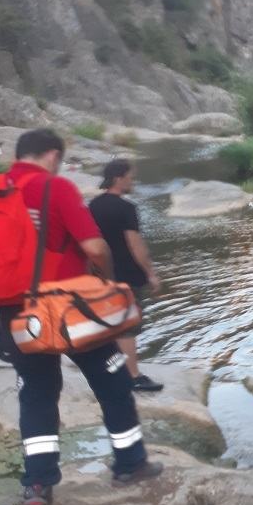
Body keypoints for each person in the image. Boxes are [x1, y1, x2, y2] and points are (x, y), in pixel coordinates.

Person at [0, 129, 162, 505]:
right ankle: (130, 463)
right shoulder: (57, 188)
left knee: (36, 393)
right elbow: (93, 246)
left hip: (13, 315)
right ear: (54, 156)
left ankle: (37, 486)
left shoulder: (2, 189)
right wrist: (105, 279)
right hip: (67, 310)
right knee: (115, 382)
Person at [88, 159, 164, 392]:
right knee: (128, 327)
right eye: (131, 177)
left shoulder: (93, 205)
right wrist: (151, 274)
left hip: (101, 276)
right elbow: (135, 245)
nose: (133, 181)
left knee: (109, 325)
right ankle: (133, 377)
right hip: (127, 276)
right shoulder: (126, 208)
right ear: (118, 179)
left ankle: (112, 371)